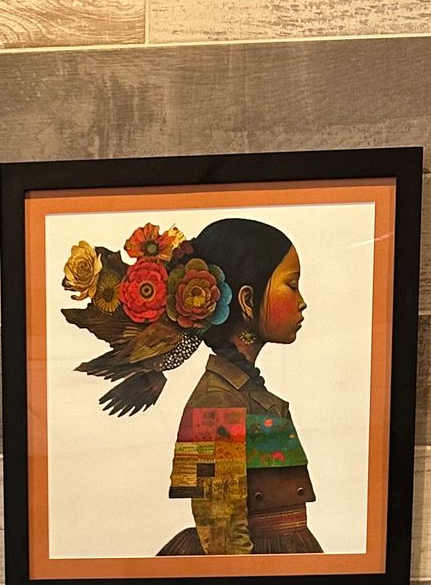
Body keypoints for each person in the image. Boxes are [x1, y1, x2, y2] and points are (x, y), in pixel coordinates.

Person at [59, 215, 320, 558]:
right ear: (245, 300)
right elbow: (224, 542)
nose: (301, 301)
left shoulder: (246, 394)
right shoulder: (215, 404)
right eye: (292, 284)